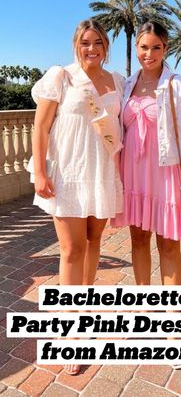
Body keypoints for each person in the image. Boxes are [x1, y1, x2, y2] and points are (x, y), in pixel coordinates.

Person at [31, 19, 124, 375]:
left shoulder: (117, 81)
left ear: (106, 46)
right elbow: (41, 126)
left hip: (101, 172)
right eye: (85, 42)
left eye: (98, 42)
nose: (92, 49)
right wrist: (40, 172)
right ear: (76, 44)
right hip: (67, 175)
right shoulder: (61, 76)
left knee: (93, 241)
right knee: (71, 249)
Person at [112, 21, 181, 288]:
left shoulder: (178, 86)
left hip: (165, 174)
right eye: (143, 47)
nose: (149, 54)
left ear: (165, 49)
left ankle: (172, 316)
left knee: (168, 244)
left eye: (156, 48)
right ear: (136, 47)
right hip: (133, 173)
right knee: (139, 240)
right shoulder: (127, 84)